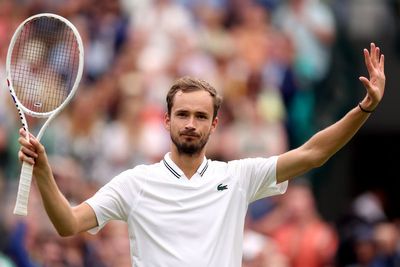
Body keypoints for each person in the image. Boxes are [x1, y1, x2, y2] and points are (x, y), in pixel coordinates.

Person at [18, 43, 385, 267]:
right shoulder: (135, 183)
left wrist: (363, 110)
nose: (191, 123)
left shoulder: (238, 177)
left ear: (214, 124)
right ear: (166, 120)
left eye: (200, 116)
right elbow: (68, 223)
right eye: (182, 114)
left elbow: (313, 153)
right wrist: (44, 171)